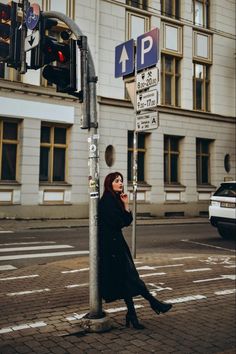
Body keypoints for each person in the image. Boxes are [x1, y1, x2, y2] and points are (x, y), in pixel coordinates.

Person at [98, 172, 172, 330]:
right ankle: (154, 303)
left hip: (117, 245)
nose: (120, 183)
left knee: (127, 281)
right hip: (111, 249)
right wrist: (123, 211)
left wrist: (126, 205)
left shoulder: (116, 200)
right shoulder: (106, 202)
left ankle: (132, 315)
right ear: (109, 183)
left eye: (121, 181)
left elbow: (127, 221)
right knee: (131, 279)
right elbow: (119, 223)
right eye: (117, 181)